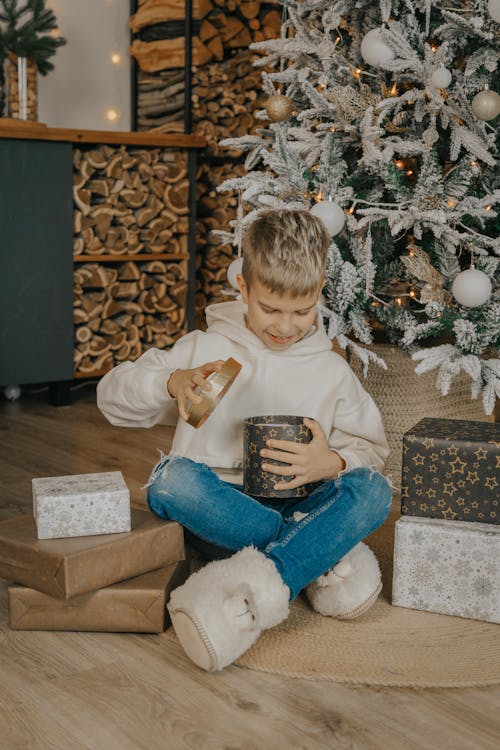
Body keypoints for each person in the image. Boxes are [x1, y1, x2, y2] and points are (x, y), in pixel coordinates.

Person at [97, 209, 392, 672]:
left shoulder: (331, 370)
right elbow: (110, 400)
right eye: (270, 308)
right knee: (170, 482)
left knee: (375, 491)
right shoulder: (203, 349)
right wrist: (170, 383)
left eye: (302, 310)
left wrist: (329, 462)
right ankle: (313, 554)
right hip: (223, 513)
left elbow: (372, 453)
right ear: (244, 287)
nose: (286, 326)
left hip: (297, 500)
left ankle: (272, 574)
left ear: (320, 294)